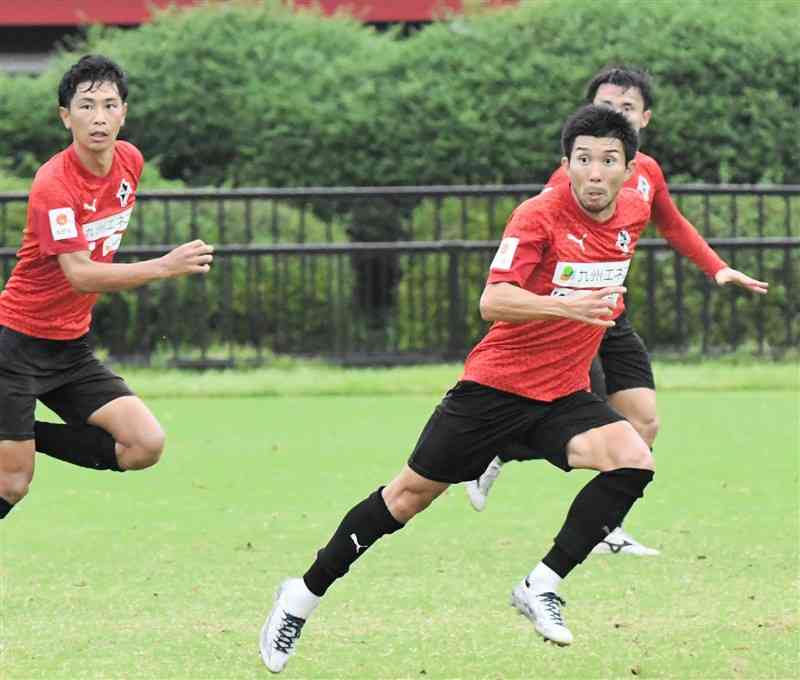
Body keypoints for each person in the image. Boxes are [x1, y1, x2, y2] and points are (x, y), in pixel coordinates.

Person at [260, 105, 658, 672]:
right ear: (565, 163)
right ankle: (301, 595)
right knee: (405, 499)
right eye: (584, 159)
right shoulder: (537, 216)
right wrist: (563, 306)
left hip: (562, 395)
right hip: (493, 389)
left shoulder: (635, 212)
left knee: (633, 460)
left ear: (628, 167)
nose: (595, 173)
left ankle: (540, 584)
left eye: (608, 161)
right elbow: (492, 301)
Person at [465, 66, 768, 556]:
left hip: (609, 313)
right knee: (580, 421)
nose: (613, 115)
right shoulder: (574, 176)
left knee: (644, 421)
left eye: (625, 108)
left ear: (643, 119)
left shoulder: (646, 174)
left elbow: (673, 224)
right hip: (566, 316)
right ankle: (497, 446)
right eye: (605, 106)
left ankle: (607, 526)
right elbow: (535, 235)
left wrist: (718, 268)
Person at [0, 54, 214, 521]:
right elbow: (80, 273)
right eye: (86, 106)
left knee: (143, 445)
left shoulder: (129, 162)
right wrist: (165, 266)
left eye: (109, 105)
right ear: (65, 117)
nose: (99, 117)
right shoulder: (53, 183)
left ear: (124, 112)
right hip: (15, 346)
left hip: (70, 348)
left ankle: (22, 434)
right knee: (12, 482)